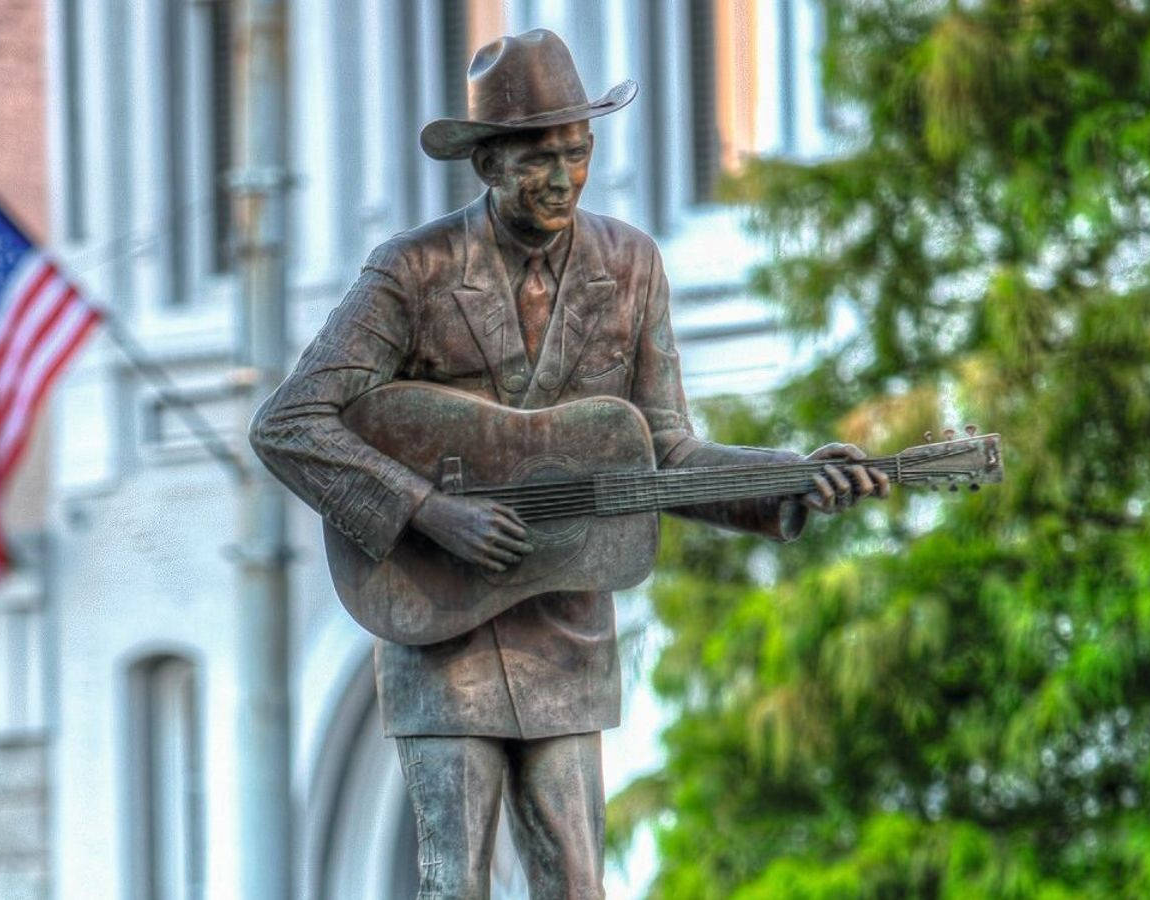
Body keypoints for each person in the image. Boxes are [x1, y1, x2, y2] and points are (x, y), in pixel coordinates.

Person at [249, 29, 889, 898]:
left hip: (565, 626)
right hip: (438, 621)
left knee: (575, 883)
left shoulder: (630, 266)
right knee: (454, 882)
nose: (561, 178)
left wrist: (786, 476)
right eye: (537, 159)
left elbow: (663, 450)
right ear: (487, 165)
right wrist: (427, 510)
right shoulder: (414, 270)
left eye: (577, 153)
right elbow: (290, 423)